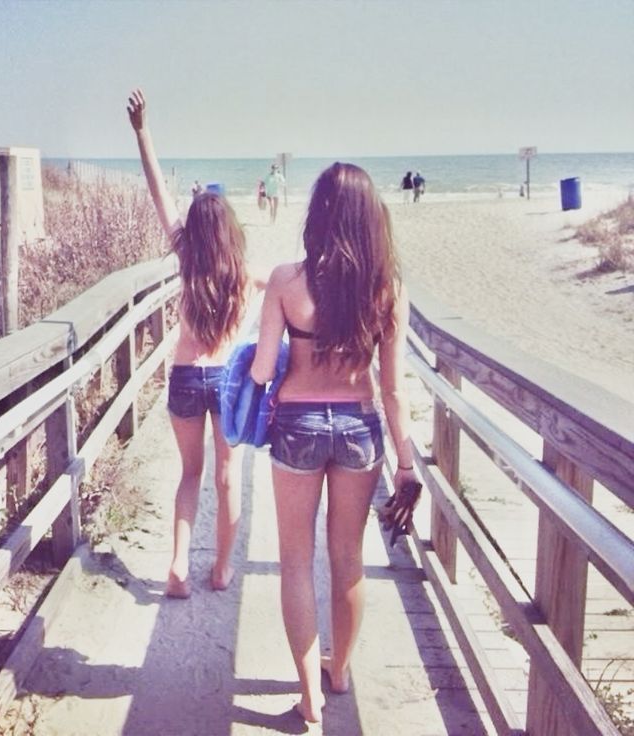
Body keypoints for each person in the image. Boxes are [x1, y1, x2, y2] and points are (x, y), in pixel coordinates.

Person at [250, 162, 419, 725]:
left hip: (296, 426)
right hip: (360, 427)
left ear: (317, 213)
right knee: (347, 559)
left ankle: (308, 693)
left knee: (296, 561)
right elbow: (393, 391)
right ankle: (339, 670)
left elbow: (260, 370)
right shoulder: (387, 289)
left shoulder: (285, 282)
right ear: (371, 218)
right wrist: (407, 465)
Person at [127, 88, 249, 598]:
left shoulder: (187, 257)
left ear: (195, 231)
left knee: (189, 475)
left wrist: (142, 131)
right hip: (223, 379)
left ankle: (178, 566)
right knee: (227, 476)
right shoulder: (242, 271)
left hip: (183, 377)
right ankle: (221, 569)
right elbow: (291, 280)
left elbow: (160, 194)